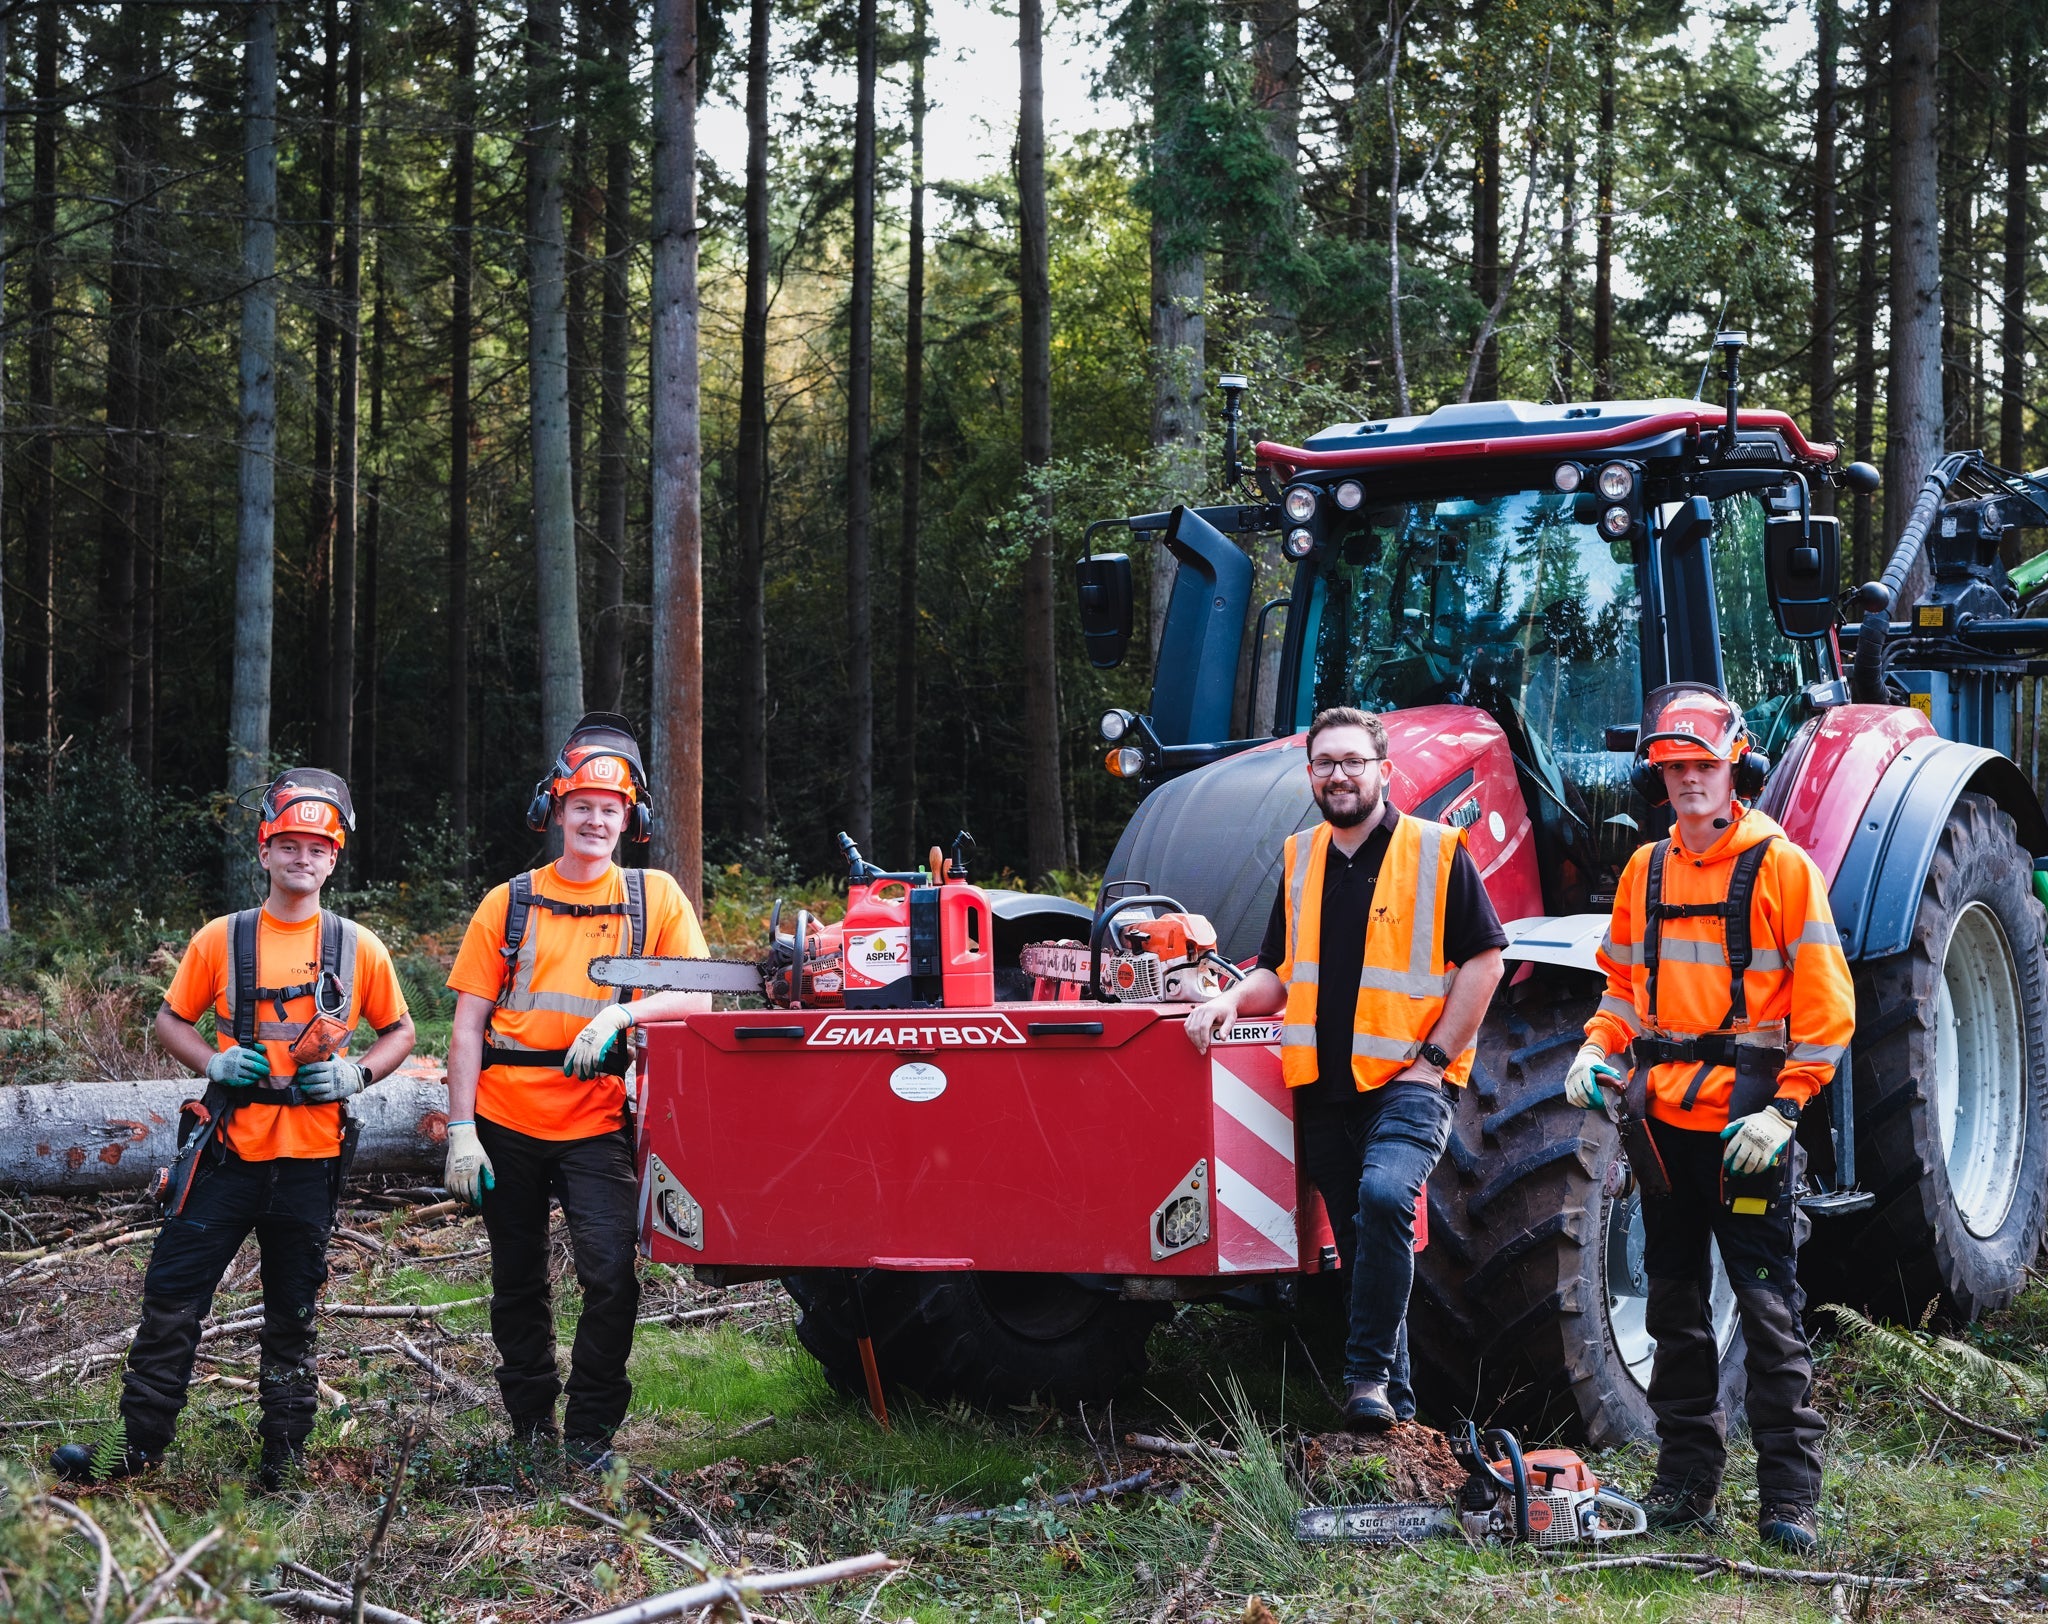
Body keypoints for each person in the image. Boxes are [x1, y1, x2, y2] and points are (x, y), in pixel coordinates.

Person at [53, 769, 415, 1490]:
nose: (302, 858)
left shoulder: (358, 946)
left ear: (334, 857)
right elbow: (169, 1020)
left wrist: (357, 1075)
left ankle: (281, 1465)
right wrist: (215, 1059)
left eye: (317, 847)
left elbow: (400, 1030)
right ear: (265, 850)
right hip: (225, 1156)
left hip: (310, 1163)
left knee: (292, 1317)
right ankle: (137, 1450)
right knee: (171, 1303)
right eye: (289, 844)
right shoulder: (224, 939)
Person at [1566, 683, 1854, 1552]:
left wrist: (1789, 1108)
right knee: (1674, 1308)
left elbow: (1827, 1007)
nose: (1689, 780)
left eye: (1702, 765)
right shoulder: (1644, 871)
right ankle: (1686, 1484)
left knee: (1767, 1308)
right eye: (1674, 767)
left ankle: (1789, 1498)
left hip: (1749, 1125)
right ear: (1659, 776)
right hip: (1660, 1126)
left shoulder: (1780, 868)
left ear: (1733, 766)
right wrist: (1597, 1044)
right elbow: (1623, 985)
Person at [1184, 706, 1507, 1433]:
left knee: (1388, 1197)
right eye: (1325, 762)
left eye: (1353, 761)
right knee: (1361, 1244)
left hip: (1408, 1083)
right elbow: (1278, 971)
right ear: (1310, 775)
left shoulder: (1436, 849)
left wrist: (1432, 1061)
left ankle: (1364, 1377)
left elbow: (1488, 959)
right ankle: (1401, 1420)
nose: (1338, 774)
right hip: (1323, 1088)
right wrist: (1231, 999)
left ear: (1383, 772)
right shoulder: (1300, 858)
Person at [442, 713, 710, 1471]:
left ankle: (591, 1431)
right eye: (582, 806)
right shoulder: (510, 901)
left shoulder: (653, 897)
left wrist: (626, 1010)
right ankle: (530, 1427)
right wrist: (461, 1127)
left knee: (610, 1275)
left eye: (611, 808)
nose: (595, 819)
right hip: (507, 1119)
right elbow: (466, 1027)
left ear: (631, 819)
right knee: (518, 1280)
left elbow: (699, 996)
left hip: (597, 1119)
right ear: (556, 812)